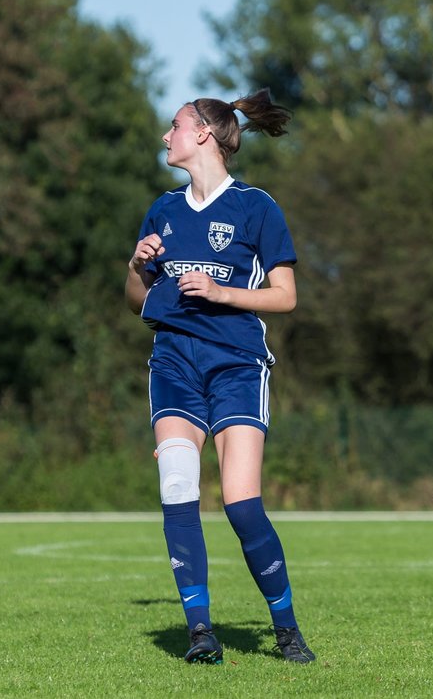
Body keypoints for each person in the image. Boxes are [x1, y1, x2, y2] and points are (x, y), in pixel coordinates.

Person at [125, 89, 315, 665]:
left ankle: (285, 629)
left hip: (235, 363)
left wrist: (220, 292)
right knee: (178, 485)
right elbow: (136, 301)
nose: (166, 135)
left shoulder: (257, 208)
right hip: (174, 361)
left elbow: (285, 297)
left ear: (204, 133)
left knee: (240, 503)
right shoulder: (162, 209)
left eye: (175, 125)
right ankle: (201, 633)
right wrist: (136, 266)